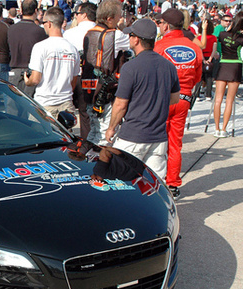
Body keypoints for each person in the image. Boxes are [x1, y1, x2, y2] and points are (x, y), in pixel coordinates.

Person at [105, 18, 180, 181]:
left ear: (136, 39)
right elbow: (174, 98)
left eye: (130, 35)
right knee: (154, 183)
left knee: (119, 181)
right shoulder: (169, 66)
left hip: (133, 136)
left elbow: (120, 104)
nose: (129, 39)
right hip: (158, 137)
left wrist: (111, 128)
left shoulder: (130, 67)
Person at [155, 8, 202, 199]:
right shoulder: (194, 47)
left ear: (166, 25)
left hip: (163, 99)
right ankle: (173, 183)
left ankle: (156, 179)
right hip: (183, 99)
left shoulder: (159, 47)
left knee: (158, 142)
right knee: (175, 143)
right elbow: (197, 77)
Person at [83, 0, 130, 146]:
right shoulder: (116, 35)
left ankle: (89, 157)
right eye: (118, 17)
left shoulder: (89, 33)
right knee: (104, 134)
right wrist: (123, 28)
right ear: (109, 18)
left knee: (94, 130)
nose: (119, 20)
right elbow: (134, 45)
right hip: (106, 90)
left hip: (89, 88)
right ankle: (100, 164)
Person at [24, 6, 80, 120]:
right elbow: (73, 81)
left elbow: (35, 79)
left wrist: (27, 81)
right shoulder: (72, 49)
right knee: (63, 137)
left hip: (44, 103)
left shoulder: (40, 47)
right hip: (66, 103)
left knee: (38, 135)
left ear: (49, 23)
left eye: (43, 22)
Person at [213, 12, 243, 138]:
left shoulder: (222, 35)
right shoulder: (242, 38)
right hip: (235, 66)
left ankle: (216, 128)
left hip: (223, 65)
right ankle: (224, 129)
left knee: (218, 99)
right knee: (229, 100)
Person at [64, 2, 97, 139]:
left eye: (77, 14)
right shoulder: (102, 31)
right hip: (96, 78)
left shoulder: (70, 33)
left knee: (77, 114)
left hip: (75, 77)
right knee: (89, 114)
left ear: (84, 14)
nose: (75, 16)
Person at [7, 0, 47, 97]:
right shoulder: (40, 31)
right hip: (33, 72)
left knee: (13, 106)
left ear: (21, 10)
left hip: (14, 71)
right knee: (31, 106)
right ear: (36, 11)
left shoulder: (11, 29)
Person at [197, 16, 217, 101]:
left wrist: (203, 59)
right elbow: (214, 49)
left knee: (199, 76)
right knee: (209, 77)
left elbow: (200, 49)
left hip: (201, 57)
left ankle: (197, 94)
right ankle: (208, 94)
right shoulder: (214, 38)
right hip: (210, 57)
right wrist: (210, 59)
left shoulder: (199, 38)